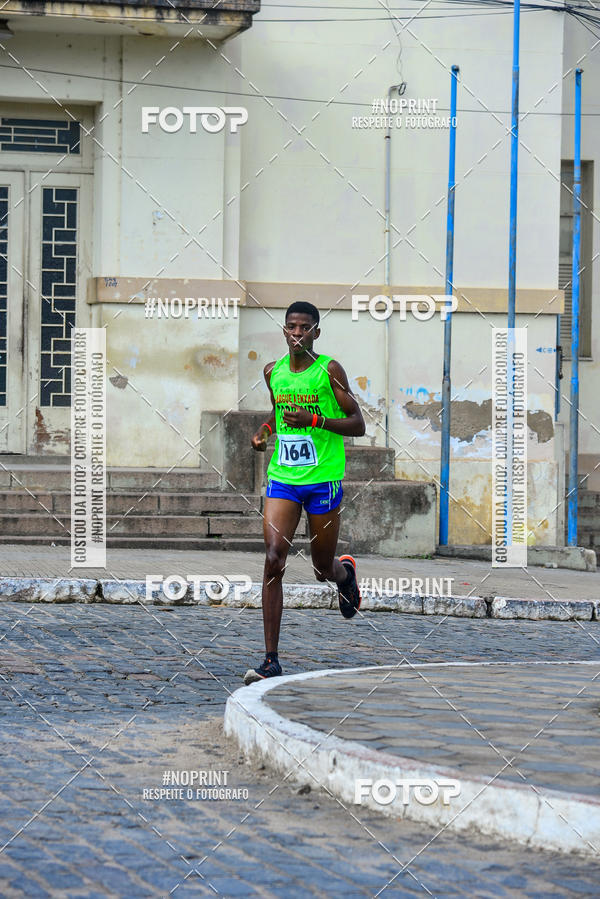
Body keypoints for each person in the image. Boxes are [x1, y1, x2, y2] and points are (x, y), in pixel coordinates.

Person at [244, 300, 366, 685]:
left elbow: (358, 424)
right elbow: (280, 414)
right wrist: (265, 432)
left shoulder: (328, 370)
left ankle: (344, 576)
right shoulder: (272, 372)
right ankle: (270, 660)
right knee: (273, 559)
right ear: (284, 330)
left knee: (320, 569)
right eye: (291, 327)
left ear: (316, 332)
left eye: (305, 328)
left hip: (322, 480)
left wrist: (315, 419)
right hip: (283, 477)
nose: (297, 334)